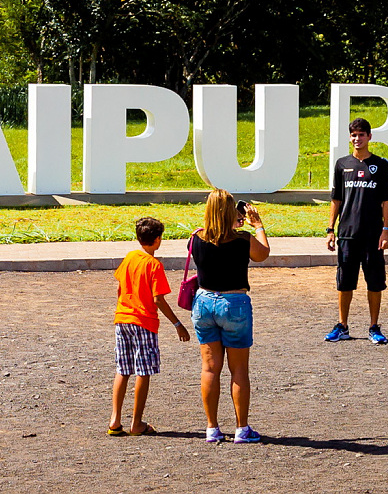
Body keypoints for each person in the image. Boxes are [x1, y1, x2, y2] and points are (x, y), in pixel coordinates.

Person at [189, 188, 270, 445]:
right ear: (230, 212)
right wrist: (257, 225)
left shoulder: (196, 238)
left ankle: (212, 428)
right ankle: (241, 428)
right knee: (239, 370)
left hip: (203, 303)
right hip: (234, 302)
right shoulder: (243, 239)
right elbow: (263, 253)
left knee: (210, 369)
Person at [108, 215, 189, 437]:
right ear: (158, 239)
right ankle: (136, 423)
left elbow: (119, 289)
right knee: (143, 372)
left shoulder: (130, 257)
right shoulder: (154, 265)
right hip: (144, 323)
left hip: (122, 319)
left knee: (122, 369)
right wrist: (177, 323)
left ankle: (115, 420)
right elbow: (158, 299)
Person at [325, 116, 388, 343]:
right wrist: (330, 229)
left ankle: (374, 327)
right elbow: (336, 199)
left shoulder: (381, 165)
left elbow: (386, 200)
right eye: (353, 135)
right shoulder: (342, 164)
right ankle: (342, 326)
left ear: (369, 137)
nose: (357, 139)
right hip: (347, 234)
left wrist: (386, 230)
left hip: (373, 235)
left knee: (374, 282)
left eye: (361, 135)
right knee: (344, 282)